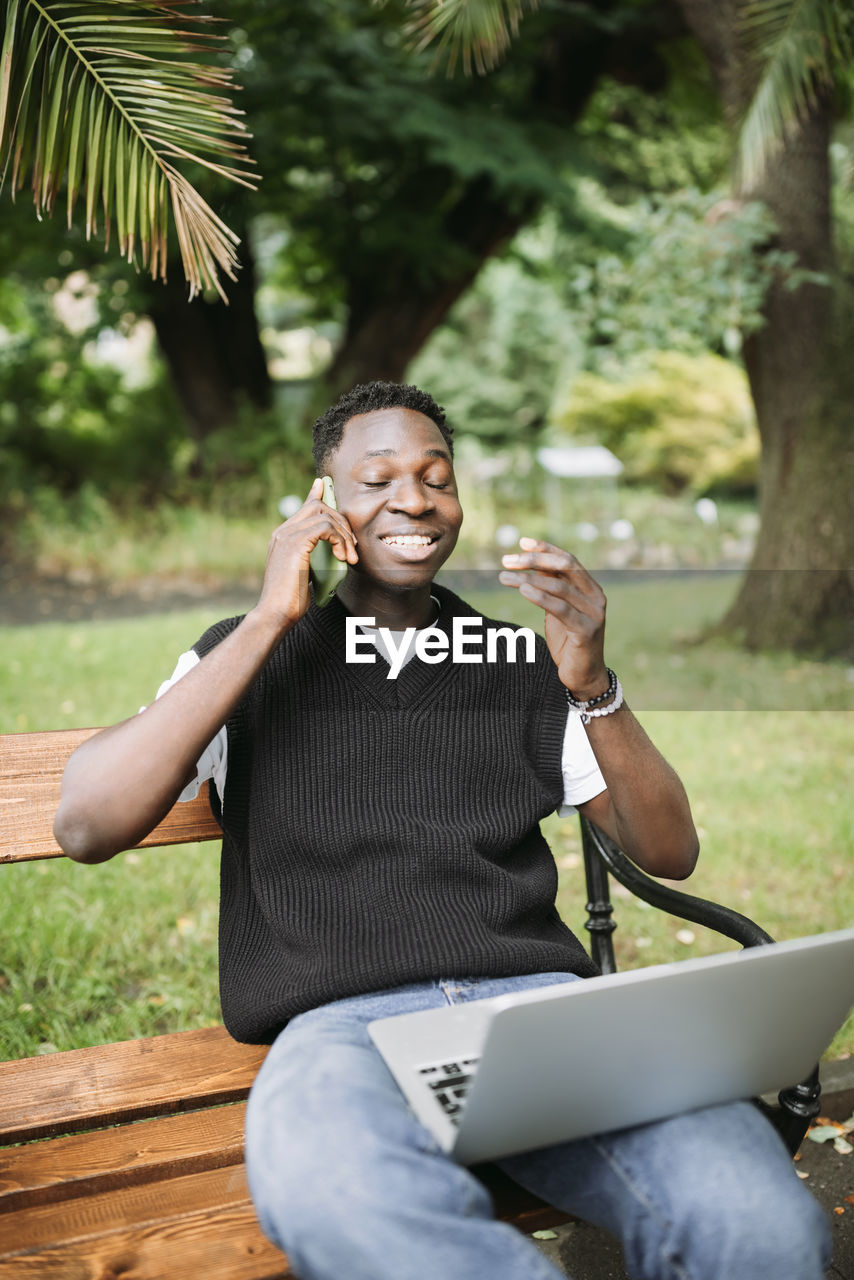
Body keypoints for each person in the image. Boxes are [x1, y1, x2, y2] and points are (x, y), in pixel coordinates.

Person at [55, 381, 831, 1280]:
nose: (414, 500)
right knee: (337, 1197)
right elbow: (87, 822)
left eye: (436, 477)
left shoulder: (516, 663)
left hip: (538, 1015)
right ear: (324, 506)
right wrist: (270, 619)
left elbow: (668, 852)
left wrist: (590, 682)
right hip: (344, 1031)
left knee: (759, 1221)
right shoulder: (247, 655)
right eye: (376, 479)